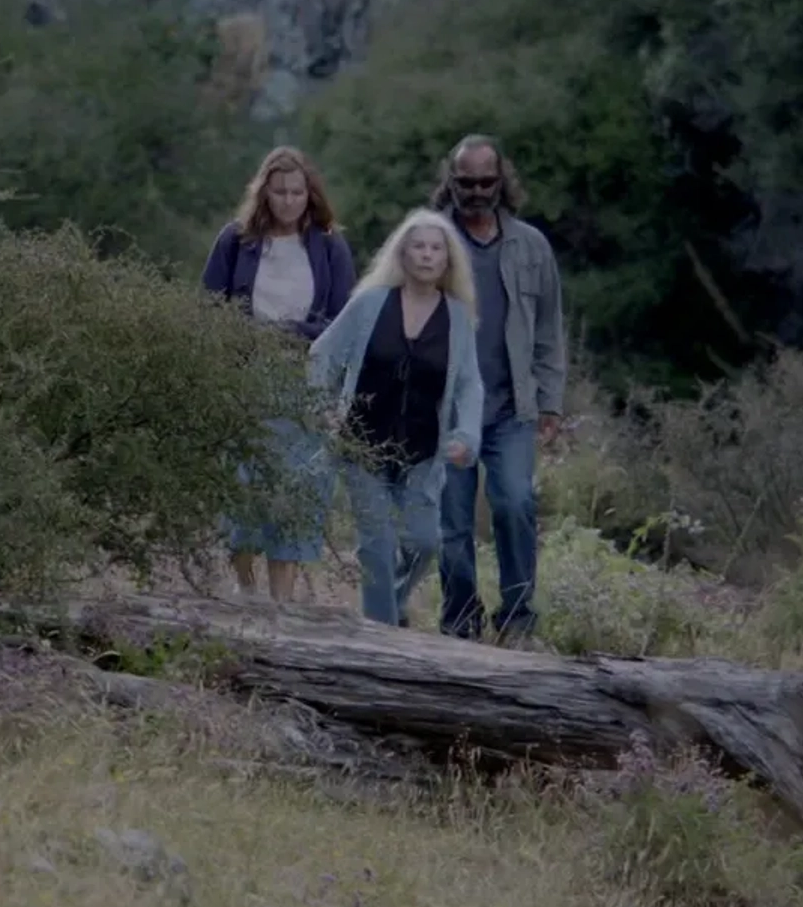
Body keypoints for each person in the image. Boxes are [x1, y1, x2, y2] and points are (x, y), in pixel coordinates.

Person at [309, 209, 483, 628]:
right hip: (362, 442)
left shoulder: (457, 317)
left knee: (424, 542)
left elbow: (469, 386)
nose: (426, 255)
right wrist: (324, 408)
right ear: (402, 254)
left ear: (448, 260)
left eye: (436, 248)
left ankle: (390, 602)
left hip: (424, 450)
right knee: (377, 543)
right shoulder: (370, 303)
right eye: (418, 246)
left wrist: (466, 436)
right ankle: (380, 632)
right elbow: (322, 354)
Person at [201, 146, 356, 603]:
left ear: (311, 194)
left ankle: (283, 603)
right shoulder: (236, 240)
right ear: (264, 193)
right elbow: (209, 307)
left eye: (297, 192)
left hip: (306, 381)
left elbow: (343, 318)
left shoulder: (331, 245)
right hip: (246, 377)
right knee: (244, 483)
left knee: (295, 488)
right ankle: (245, 589)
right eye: (279, 192)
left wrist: (293, 333)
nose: (288, 201)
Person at [429, 135, 567, 644]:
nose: (477, 191)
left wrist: (551, 400)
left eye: (487, 181)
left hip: (512, 407)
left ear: (502, 181)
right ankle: (460, 619)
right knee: (453, 523)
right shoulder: (431, 241)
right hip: (448, 408)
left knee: (515, 506)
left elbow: (550, 329)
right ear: (452, 181)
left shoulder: (531, 245)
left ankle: (517, 619)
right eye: (466, 182)